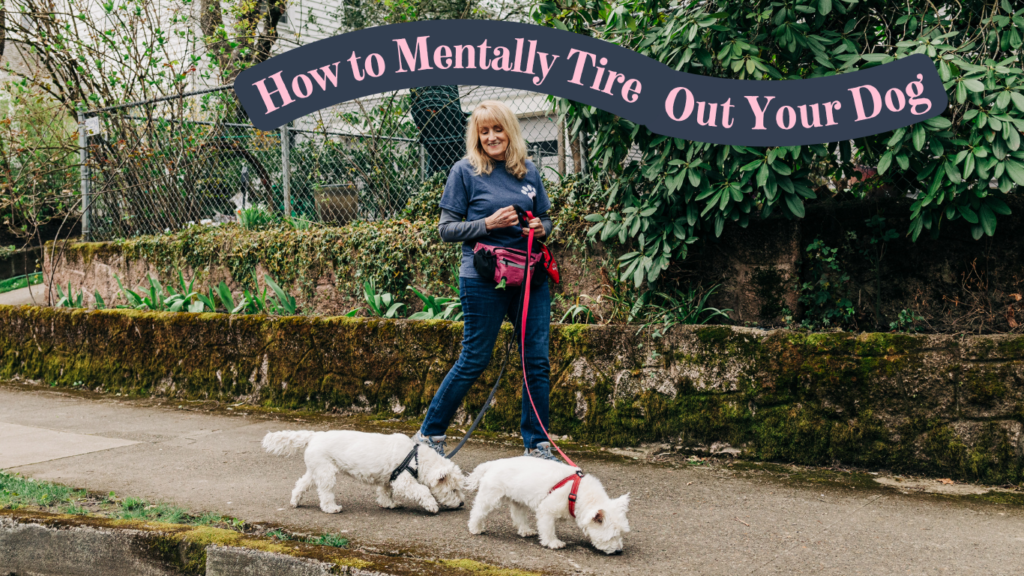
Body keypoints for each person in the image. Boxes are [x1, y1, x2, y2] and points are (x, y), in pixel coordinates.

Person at [412, 100, 558, 462]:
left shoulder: (529, 172)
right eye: (484, 131)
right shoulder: (465, 171)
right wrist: (488, 225)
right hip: (483, 278)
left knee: (536, 361)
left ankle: (537, 444)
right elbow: (446, 229)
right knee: (475, 357)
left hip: (530, 278)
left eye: (498, 128)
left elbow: (546, 219)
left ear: (510, 130)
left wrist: (543, 227)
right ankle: (429, 436)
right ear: (477, 136)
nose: (492, 136)